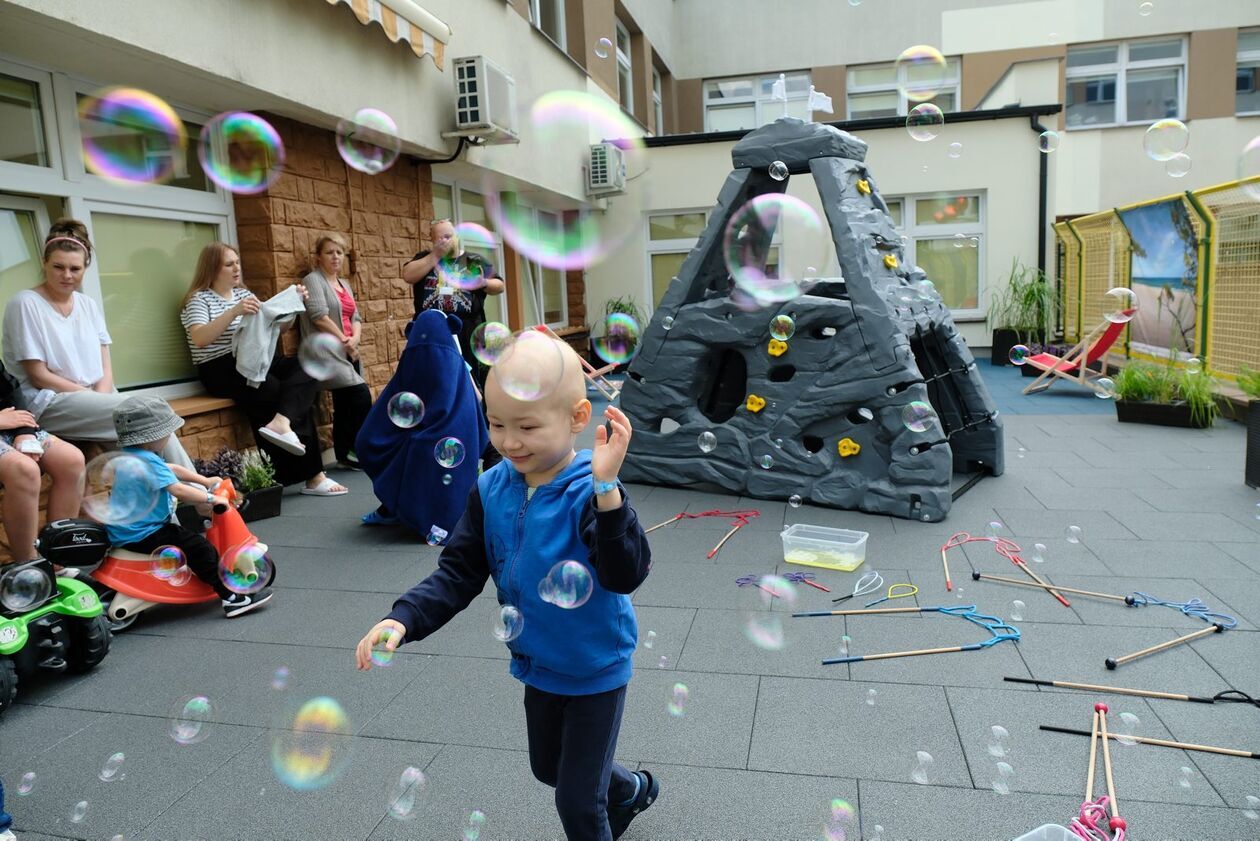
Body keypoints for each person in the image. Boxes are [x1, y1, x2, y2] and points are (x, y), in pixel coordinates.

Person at [355, 335, 658, 840]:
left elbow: (624, 573)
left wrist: (608, 491)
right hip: (538, 664)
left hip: (594, 665)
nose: (509, 441)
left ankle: (610, 800)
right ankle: (629, 790)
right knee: (550, 769)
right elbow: (457, 572)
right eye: (496, 424)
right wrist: (403, 617)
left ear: (578, 418)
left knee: (579, 806)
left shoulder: (592, 489)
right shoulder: (490, 488)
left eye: (527, 426)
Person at [1, 219, 193, 469]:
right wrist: (94, 399)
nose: (67, 275)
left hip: (96, 399)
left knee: (143, 453)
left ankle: (186, 498)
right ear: (44, 263)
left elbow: (105, 365)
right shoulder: (25, 303)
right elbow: (38, 376)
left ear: (85, 268)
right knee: (148, 414)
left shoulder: (87, 304)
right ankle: (205, 498)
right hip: (51, 400)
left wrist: (100, 398)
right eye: (59, 267)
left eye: (75, 268)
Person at [180, 242, 347, 497]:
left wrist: (292, 306)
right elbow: (200, 338)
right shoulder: (198, 300)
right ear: (212, 268)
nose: (236, 268)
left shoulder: (243, 294)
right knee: (274, 389)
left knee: (308, 367)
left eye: (237, 262)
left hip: (255, 358)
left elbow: (275, 329)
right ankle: (312, 475)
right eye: (229, 264)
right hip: (219, 366)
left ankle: (281, 422)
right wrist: (235, 311)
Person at [107, 396, 273, 617]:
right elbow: (179, 490)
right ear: (152, 437)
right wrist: (212, 498)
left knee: (189, 541)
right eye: (167, 432)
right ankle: (232, 598)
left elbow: (172, 468)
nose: (169, 437)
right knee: (199, 548)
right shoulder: (148, 461)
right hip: (145, 533)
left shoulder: (134, 456)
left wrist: (204, 481)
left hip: (128, 531)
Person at [354, 310, 488, 534]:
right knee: (420, 446)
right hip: (449, 442)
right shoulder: (452, 360)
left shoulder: (421, 358)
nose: (429, 358)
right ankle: (395, 507)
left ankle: (393, 506)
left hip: (440, 440)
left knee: (417, 447)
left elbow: (378, 423)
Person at [403, 219, 505, 469]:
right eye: (440, 238)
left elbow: (499, 285)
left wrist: (483, 283)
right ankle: (448, 445)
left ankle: (487, 448)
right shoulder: (424, 259)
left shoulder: (473, 260)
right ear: (432, 239)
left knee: (475, 393)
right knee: (438, 392)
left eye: (449, 236)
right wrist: (434, 256)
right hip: (434, 340)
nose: (445, 241)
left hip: (469, 336)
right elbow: (407, 274)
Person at [298, 234, 372, 470]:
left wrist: (355, 339)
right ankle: (358, 450)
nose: (336, 257)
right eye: (330, 252)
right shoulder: (313, 280)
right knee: (360, 395)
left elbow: (356, 317)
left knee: (344, 402)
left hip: (349, 349)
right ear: (318, 256)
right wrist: (344, 340)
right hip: (325, 352)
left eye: (339, 252)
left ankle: (344, 452)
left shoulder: (345, 284)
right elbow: (318, 316)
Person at [0, 361, 84, 563]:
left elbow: (11, 387)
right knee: (24, 469)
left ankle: (57, 559)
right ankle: (30, 567)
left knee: (71, 460)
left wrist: (24, 433)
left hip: (8, 426)